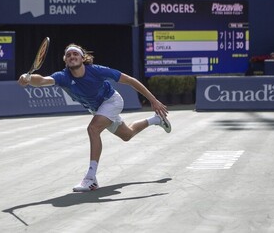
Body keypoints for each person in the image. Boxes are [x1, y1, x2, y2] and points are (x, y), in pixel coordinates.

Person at [17, 43, 171, 192]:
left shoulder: (97, 71)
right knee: (127, 134)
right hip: (96, 109)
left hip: (112, 101)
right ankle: (156, 120)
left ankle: (91, 178)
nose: (72, 56)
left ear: (83, 58)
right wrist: (29, 79)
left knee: (93, 129)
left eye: (75, 53)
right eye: (68, 55)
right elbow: (43, 80)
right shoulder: (63, 76)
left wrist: (153, 100)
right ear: (65, 60)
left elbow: (130, 80)